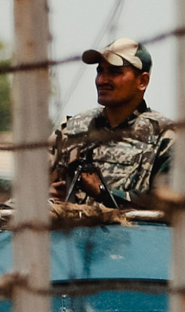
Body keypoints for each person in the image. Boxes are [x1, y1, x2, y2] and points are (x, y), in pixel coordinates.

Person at [50, 37, 174, 209]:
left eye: (115, 72)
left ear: (142, 81)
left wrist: (104, 192)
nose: (102, 80)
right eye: (100, 71)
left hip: (132, 235)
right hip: (72, 234)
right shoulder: (72, 129)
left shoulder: (164, 136)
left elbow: (167, 204)